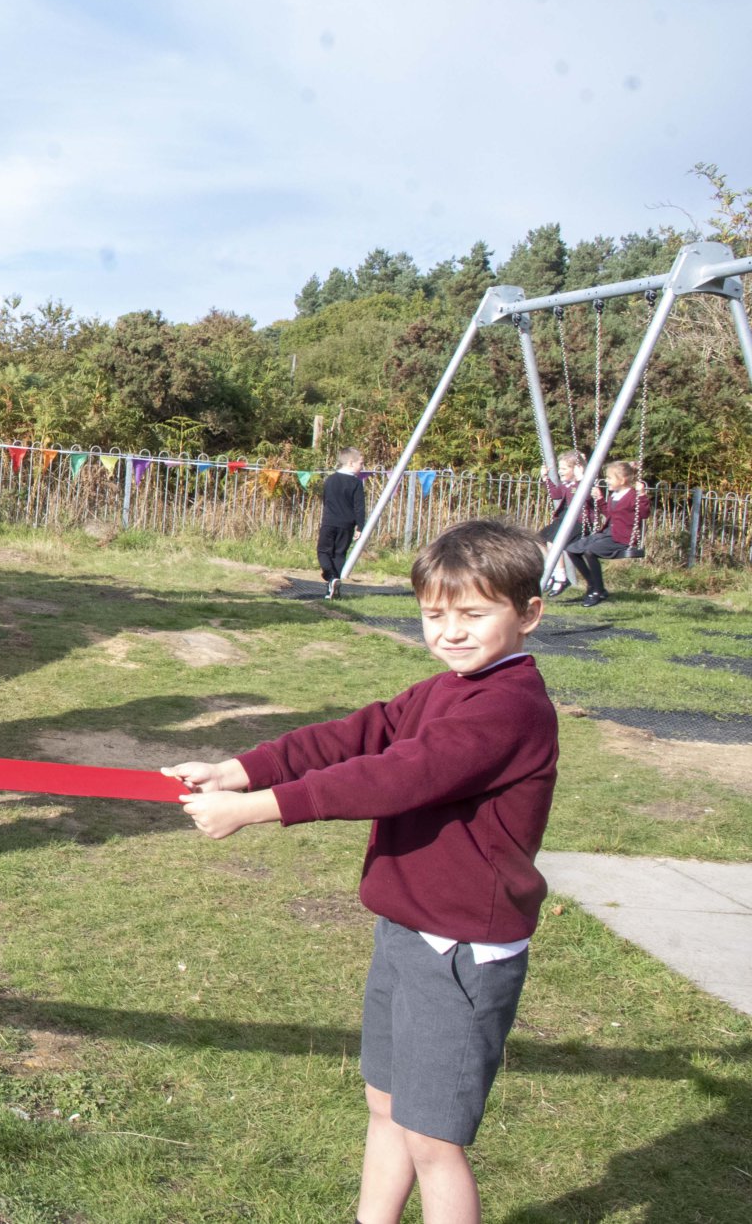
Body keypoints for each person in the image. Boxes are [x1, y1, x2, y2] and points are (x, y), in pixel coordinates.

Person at [165, 520, 557, 1224]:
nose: (452, 632)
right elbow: (358, 734)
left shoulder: (508, 708)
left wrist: (257, 808)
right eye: (436, 615)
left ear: (528, 613)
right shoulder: (444, 689)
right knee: (386, 1106)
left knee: (433, 1139)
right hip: (407, 928)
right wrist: (238, 767)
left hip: (462, 949)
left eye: (474, 613)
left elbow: (395, 775)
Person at [563, 459, 650, 607]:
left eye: (609, 478)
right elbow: (609, 514)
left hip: (622, 538)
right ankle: (592, 585)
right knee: (571, 549)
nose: (606, 481)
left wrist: (642, 494)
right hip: (607, 533)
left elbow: (644, 513)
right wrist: (600, 500)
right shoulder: (613, 495)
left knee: (590, 551)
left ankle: (599, 590)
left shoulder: (632, 496)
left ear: (622, 480)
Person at [537, 449, 588, 596]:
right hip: (564, 519)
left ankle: (561, 576)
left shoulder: (583, 483)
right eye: (560, 468)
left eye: (564, 468)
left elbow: (587, 498)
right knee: (539, 540)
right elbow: (555, 494)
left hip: (578, 521)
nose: (560, 471)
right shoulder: (566, 484)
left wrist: (580, 478)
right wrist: (546, 478)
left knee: (554, 541)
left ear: (576, 469)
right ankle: (553, 571)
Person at [318, 447, 365, 583]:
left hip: (329, 522)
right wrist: (360, 526)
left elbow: (325, 500)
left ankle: (331, 577)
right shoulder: (356, 483)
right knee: (339, 554)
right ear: (351, 463)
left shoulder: (330, 480)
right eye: (361, 463)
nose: (362, 467)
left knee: (323, 551)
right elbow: (359, 507)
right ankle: (334, 581)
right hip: (347, 525)